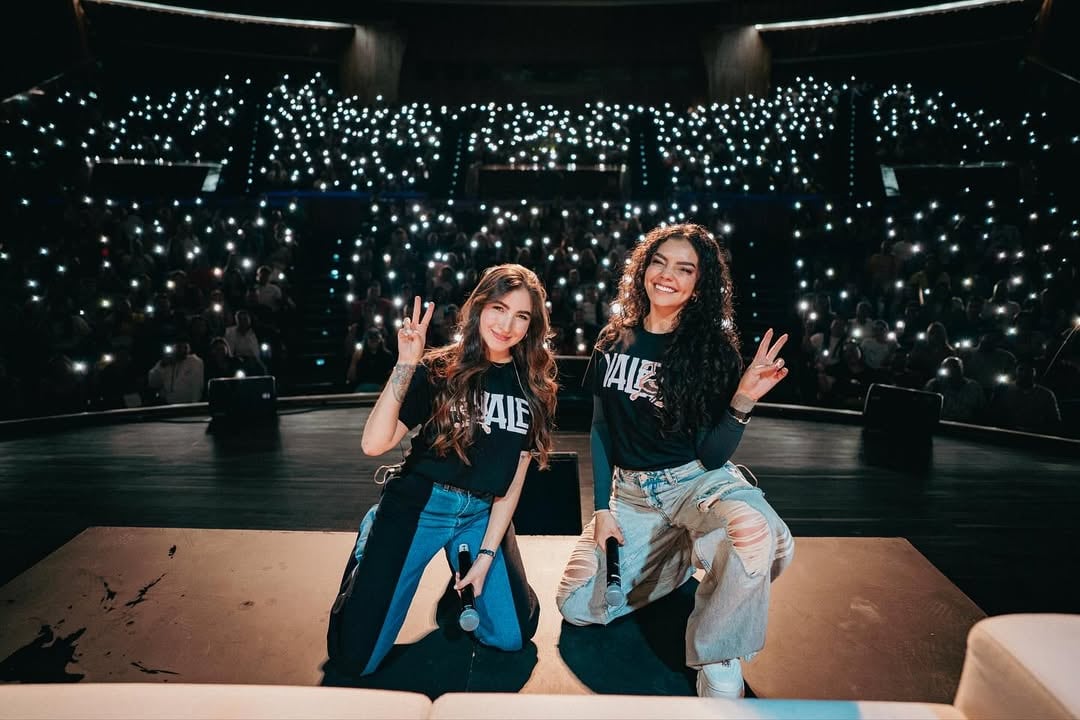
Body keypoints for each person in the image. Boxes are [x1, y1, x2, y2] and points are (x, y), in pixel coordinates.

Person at [556, 224, 794, 699]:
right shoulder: (612, 339)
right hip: (631, 494)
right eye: (660, 262)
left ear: (699, 284)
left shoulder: (712, 352)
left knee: (752, 535)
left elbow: (712, 454)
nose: (667, 275)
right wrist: (602, 509)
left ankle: (717, 652)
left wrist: (743, 399)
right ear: (644, 268)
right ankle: (680, 557)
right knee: (577, 605)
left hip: (695, 483)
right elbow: (601, 429)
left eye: (684, 269)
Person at [327, 264, 558, 678]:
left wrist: (486, 556)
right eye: (499, 308)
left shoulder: (533, 388)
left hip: (480, 514)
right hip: (418, 506)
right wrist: (405, 364)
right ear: (480, 306)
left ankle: (461, 581)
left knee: (512, 635)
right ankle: (370, 544)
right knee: (355, 658)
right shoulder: (438, 369)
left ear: (532, 324)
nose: (507, 325)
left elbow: (513, 480)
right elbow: (374, 444)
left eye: (521, 316)